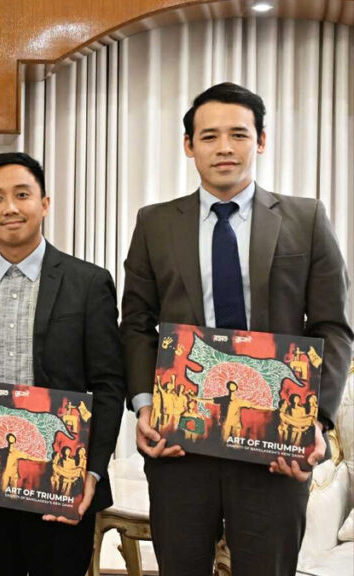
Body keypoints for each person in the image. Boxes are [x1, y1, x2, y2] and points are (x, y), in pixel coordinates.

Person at [121, 82, 353, 576]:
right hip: (180, 440)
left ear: (260, 141)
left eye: (238, 134)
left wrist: (316, 421)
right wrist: (144, 406)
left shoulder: (306, 219)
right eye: (209, 136)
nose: (224, 147)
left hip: (276, 443)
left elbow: (333, 327)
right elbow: (137, 324)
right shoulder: (155, 224)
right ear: (189, 146)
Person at [0, 152, 126, 575]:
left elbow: (109, 383)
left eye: (22, 195)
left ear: (44, 203)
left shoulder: (88, 282)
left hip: (60, 477)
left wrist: (91, 471)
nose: (10, 208)